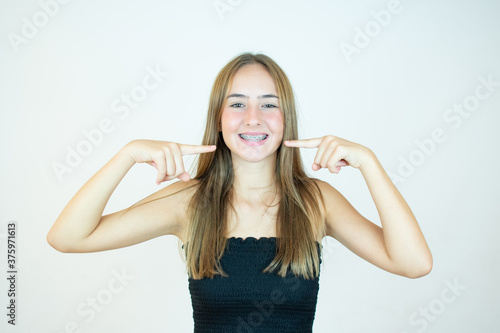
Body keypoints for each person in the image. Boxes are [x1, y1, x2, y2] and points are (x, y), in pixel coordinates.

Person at [47, 52, 432, 332]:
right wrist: (127, 154)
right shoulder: (188, 204)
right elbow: (67, 237)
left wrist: (369, 162)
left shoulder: (315, 201)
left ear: (286, 120)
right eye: (237, 104)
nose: (253, 117)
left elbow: (414, 264)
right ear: (219, 118)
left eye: (269, 104)